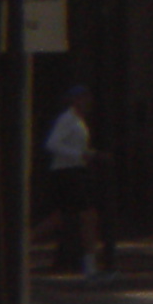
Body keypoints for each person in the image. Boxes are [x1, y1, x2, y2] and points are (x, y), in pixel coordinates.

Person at [44, 81, 109, 278]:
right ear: (73, 100)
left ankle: (91, 267)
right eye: (81, 97)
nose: (86, 101)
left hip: (75, 171)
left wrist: (93, 154)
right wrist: (79, 155)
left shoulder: (79, 121)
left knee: (64, 217)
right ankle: (91, 269)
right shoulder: (68, 119)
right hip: (68, 173)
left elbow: (78, 148)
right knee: (87, 217)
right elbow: (52, 144)